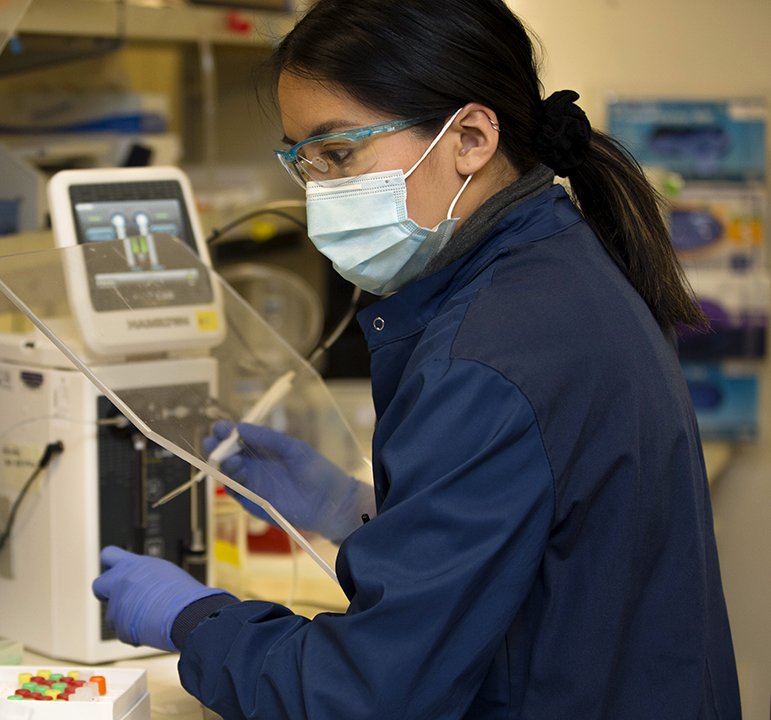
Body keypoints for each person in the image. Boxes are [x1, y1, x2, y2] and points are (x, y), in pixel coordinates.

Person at [90, 0, 742, 717]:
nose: (318, 194)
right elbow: (541, 551)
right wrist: (355, 512)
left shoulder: (488, 356)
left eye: (338, 154)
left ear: (469, 137)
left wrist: (196, 620)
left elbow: (362, 695)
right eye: (302, 160)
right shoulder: (561, 266)